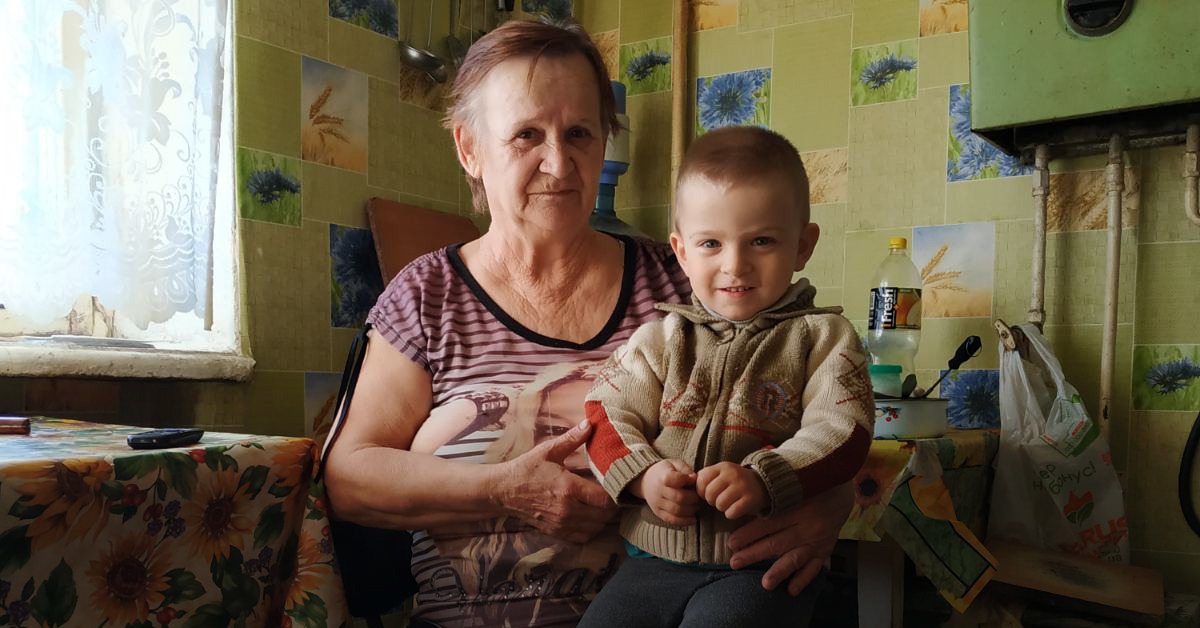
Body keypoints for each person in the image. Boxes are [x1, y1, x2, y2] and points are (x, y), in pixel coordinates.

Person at [321, 19, 855, 628]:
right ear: (469, 148)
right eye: (526, 135)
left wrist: (827, 505)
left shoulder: (686, 282)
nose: (559, 162)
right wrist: (501, 488)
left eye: (579, 132)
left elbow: (815, 400)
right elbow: (348, 476)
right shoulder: (426, 296)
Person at [579, 126, 874, 627]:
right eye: (711, 243)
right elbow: (604, 413)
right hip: (650, 563)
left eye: (761, 240)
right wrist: (645, 475)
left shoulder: (824, 338)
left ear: (803, 245)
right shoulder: (658, 340)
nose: (735, 265)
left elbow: (844, 430)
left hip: (756, 566)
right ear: (681, 251)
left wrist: (764, 478)